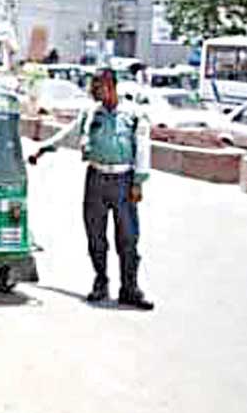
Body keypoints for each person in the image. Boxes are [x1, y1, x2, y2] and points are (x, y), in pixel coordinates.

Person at [29, 69, 155, 311]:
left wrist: (138, 182)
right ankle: (101, 282)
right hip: (96, 178)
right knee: (95, 236)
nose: (93, 91)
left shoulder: (134, 114)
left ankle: (130, 288)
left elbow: (142, 149)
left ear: (111, 86)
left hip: (124, 180)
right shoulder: (90, 112)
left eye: (97, 87)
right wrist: (43, 149)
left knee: (127, 238)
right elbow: (68, 134)